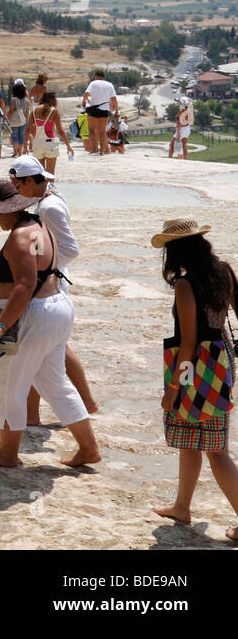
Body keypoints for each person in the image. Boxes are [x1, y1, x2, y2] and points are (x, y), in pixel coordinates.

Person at [0, 179, 101, 468]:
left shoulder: (20, 237)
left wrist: (1, 325)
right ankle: (89, 449)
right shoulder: (40, 227)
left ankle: (7, 454)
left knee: (7, 385)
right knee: (55, 384)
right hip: (56, 308)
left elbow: (24, 286)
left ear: (7, 209)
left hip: (33, 314)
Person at [149, 219, 238, 541]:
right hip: (222, 361)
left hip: (194, 368)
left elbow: (188, 342)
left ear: (176, 252)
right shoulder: (224, 272)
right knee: (193, 440)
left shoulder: (186, 284)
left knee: (216, 450)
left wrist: (174, 388)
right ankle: (181, 506)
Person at [8, 156, 99, 424]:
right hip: (47, 278)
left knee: (42, 348)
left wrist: (41, 267)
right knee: (50, 347)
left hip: (50, 281)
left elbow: (71, 249)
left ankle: (81, 403)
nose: (16, 191)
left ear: (29, 180)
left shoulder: (49, 208)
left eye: (17, 185)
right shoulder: (46, 199)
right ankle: (37, 413)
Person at [25, 91, 73, 175]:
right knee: (50, 174)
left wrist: (25, 146)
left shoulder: (34, 110)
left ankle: (41, 188)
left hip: (37, 143)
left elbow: (28, 129)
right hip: (50, 143)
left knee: (39, 174)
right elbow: (60, 131)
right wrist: (68, 146)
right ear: (54, 100)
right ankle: (50, 188)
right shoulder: (54, 111)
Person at [82, 69, 119, 156]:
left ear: (96, 76)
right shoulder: (110, 85)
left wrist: (84, 101)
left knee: (91, 130)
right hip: (104, 109)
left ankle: (93, 149)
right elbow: (114, 99)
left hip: (93, 108)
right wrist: (116, 110)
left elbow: (86, 94)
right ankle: (102, 151)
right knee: (102, 131)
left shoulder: (93, 83)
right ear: (103, 77)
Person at [7, 78, 32, 159]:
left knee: (14, 136)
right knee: (22, 136)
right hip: (24, 120)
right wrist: (27, 121)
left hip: (14, 120)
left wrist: (7, 118)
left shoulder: (13, 100)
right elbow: (27, 112)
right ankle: (20, 152)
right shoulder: (27, 100)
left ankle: (15, 152)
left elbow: (11, 111)